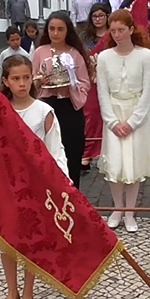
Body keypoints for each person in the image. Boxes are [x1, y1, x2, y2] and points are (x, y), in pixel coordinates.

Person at [0, 54, 70, 299]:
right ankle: (11, 291)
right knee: (7, 241)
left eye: (26, 77)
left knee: (31, 242)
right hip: (6, 186)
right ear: (6, 81)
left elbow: (55, 149)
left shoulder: (43, 112)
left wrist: (62, 182)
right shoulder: (0, 112)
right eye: (16, 79)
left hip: (34, 187)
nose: (22, 83)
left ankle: (28, 293)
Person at [96, 10, 150, 233]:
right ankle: (118, 208)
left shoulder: (145, 56)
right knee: (115, 163)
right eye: (113, 31)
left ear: (131, 30)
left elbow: (148, 91)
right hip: (114, 113)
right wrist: (112, 122)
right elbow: (102, 92)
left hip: (137, 115)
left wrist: (133, 122)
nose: (117, 35)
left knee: (133, 164)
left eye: (121, 30)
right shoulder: (104, 58)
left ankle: (131, 211)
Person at [31, 11, 91, 188]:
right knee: (46, 154)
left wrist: (70, 87)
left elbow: (85, 83)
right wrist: (40, 81)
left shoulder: (75, 55)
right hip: (45, 107)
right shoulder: (40, 52)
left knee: (71, 155)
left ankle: (73, 196)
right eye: (51, 29)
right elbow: (31, 77)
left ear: (67, 31)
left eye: (60, 29)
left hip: (70, 109)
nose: (55, 33)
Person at [78, 3, 110, 171]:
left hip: (110, 81)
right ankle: (88, 153)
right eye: (95, 16)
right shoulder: (85, 37)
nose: (98, 19)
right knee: (90, 115)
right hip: (90, 80)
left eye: (101, 15)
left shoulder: (113, 36)